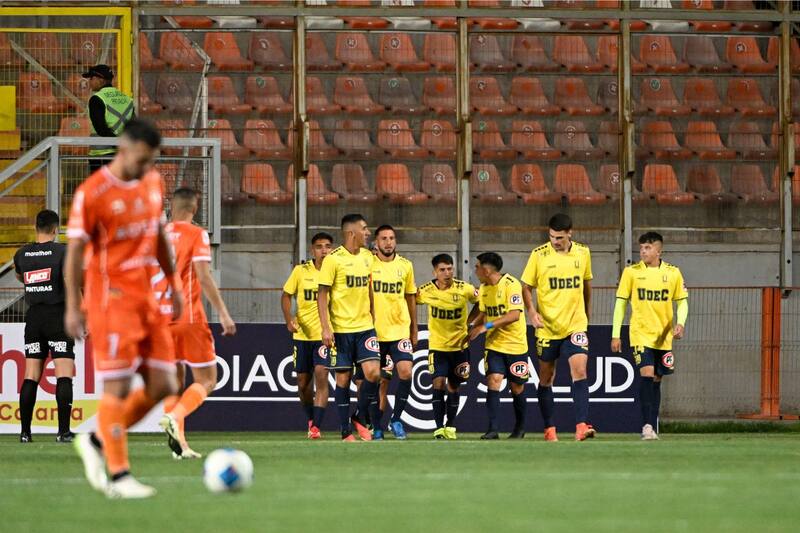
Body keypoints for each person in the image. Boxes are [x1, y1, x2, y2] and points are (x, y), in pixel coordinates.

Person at [66, 119, 182, 499]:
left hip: (146, 295)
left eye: (152, 161)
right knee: (116, 386)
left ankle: (97, 438)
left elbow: (159, 236)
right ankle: (119, 476)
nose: (146, 168)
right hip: (110, 299)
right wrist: (73, 305)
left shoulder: (152, 182)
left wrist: (174, 284)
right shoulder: (93, 192)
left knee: (165, 384)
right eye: (142, 160)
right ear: (124, 147)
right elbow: (75, 255)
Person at [159, 188, 237, 457]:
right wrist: (224, 314)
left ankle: (179, 446)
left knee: (174, 381)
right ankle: (175, 417)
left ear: (172, 206)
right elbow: (203, 277)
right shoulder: (196, 234)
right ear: (195, 208)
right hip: (188, 318)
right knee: (207, 379)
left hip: (158, 319)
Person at [521, 213, 595, 442]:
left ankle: (581, 426)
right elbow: (526, 287)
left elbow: (586, 285)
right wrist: (532, 312)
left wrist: (586, 314)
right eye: (552, 236)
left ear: (570, 233)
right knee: (546, 377)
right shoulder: (538, 255)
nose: (555, 241)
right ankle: (549, 428)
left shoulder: (583, 252)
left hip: (575, 324)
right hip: (547, 327)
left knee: (580, 371)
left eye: (560, 237)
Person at [611, 232, 688, 440]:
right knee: (646, 374)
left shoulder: (673, 273)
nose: (643, 251)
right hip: (640, 334)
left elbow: (682, 301)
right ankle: (646, 426)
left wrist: (680, 324)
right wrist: (616, 334)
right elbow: (620, 303)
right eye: (642, 248)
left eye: (648, 248)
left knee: (656, 380)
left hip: (663, 338)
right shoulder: (632, 273)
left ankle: (652, 426)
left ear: (658, 250)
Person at [317, 214, 381, 442]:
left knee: (374, 373)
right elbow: (322, 295)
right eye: (364, 229)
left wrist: (373, 315)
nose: (368, 233)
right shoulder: (333, 260)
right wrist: (326, 328)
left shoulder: (367, 257)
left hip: (365, 327)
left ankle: (359, 416)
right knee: (343, 380)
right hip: (341, 329)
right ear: (351, 232)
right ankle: (345, 430)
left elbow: (369, 288)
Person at [13, 209, 74, 443]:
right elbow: (69, 282)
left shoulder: (22, 254)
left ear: (36, 227)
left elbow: (21, 277)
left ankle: (25, 433)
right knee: (64, 373)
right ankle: (63, 432)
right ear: (55, 229)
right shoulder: (63, 251)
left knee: (31, 374)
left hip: (34, 318)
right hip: (58, 316)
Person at [417, 253, 479, 440]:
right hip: (437, 347)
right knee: (438, 382)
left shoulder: (465, 289)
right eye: (442, 269)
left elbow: (481, 302)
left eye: (450, 268)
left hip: (459, 347)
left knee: (454, 386)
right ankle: (438, 428)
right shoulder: (426, 290)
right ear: (435, 271)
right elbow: (409, 299)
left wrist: (470, 323)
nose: (447, 273)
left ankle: (450, 426)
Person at [468, 252, 529, 440]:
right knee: (494, 380)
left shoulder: (511, 285)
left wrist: (485, 326)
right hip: (494, 345)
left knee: (517, 387)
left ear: (486, 270)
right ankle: (493, 429)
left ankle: (520, 428)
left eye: (477, 267)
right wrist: (471, 326)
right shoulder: (485, 288)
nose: (475, 270)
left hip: (516, 345)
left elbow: (514, 315)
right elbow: (484, 312)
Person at [281, 232, 334, 439]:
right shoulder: (300, 271)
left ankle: (316, 427)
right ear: (313, 250)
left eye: (328, 246)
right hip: (302, 336)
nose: (324, 250)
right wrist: (288, 320)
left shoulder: (336, 272)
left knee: (322, 374)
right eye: (319, 247)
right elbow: (286, 296)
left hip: (325, 336)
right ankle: (311, 418)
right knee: (303, 383)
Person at [369, 225, 417, 440]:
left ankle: (396, 419)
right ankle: (375, 425)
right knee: (377, 382)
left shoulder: (406, 266)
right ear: (376, 242)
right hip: (374, 333)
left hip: (399, 330)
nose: (388, 242)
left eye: (392, 238)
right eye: (384, 238)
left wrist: (414, 328)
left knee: (406, 372)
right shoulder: (368, 264)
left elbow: (410, 297)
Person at [83, 64, 134, 174]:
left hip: (101, 155)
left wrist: (116, 143)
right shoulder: (127, 99)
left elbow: (100, 128)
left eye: (91, 78)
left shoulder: (96, 99)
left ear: (101, 80)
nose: (89, 81)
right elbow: (133, 126)